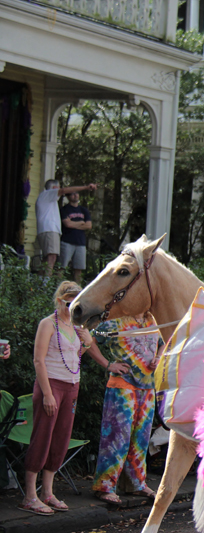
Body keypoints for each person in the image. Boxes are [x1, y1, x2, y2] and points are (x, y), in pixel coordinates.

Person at [19, 281, 116, 516]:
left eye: (75, 303)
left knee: (61, 438)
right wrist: (47, 394)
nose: (71, 307)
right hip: (51, 384)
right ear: (59, 301)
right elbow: (39, 360)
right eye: (67, 303)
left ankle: (47, 492)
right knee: (42, 436)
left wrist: (87, 342)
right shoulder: (48, 324)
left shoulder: (77, 326)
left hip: (72, 385)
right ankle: (30, 495)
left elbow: (75, 354)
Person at [89, 312, 164, 504]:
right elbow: (88, 341)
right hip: (122, 385)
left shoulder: (153, 320)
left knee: (141, 438)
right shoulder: (114, 321)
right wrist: (108, 364)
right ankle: (104, 486)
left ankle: (136, 484)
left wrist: (158, 357)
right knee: (117, 437)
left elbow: (164, 342)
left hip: (147, 386)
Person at [34, 180, 97, 277]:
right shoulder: (48, 194)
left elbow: (88, 225)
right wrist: (86, 187)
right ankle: (46, 283)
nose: (60, 189)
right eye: (59, 187)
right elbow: (63, 191)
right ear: (54, 188)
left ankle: (39, 281)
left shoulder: (48, 199)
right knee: (52, 256)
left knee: (47, 258)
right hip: (49, 230)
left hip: (48, 230)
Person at [59, 190, 92, 284]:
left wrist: (73, 223)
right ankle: (57, 286)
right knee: (61, 267)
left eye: (76, 193)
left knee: (79, 269)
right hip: (67, 241)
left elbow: (88, 225)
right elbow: (67, 224)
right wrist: (81, 223)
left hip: (80, 243)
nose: (75, 195)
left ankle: (78, 289)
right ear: (68, 196)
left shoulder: (83, 210)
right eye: (72, 194)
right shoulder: (64, 209)